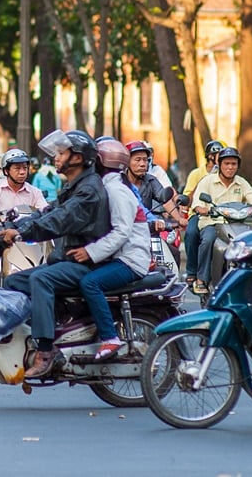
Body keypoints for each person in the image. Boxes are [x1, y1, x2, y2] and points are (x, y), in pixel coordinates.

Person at [0, 130, 111, 378]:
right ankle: (57, 328)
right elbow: (48, 212)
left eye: (62, 153)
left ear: (79, 158)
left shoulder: (88, 190)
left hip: (87, 262)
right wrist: (13, 227)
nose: (56, 158)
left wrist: (20, 234)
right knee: (14, 280)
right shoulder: (74, 186)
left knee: (41, 279)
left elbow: (59, 221)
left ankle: (46, 351)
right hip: (68, 258)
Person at [72, 139, 151, 361]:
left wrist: (90, 252)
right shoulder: (109, 185)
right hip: (118, 256)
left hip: (130, 260)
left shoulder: (116, 190)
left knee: (90, 283)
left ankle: (110, 337)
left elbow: (121, 232)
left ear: (100, 161)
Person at [189, 147, 252, 295]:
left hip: (235, 224)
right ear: (220, 165)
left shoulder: (241, 182)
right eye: (227, 164)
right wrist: (202, 209)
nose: (230, 167)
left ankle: (249, 280)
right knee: (208, 239)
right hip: (212, 223)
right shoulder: (208, 181)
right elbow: (197, 204)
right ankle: (201, 279)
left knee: (251, 243)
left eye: (234, 164)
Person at [182, 139, 225, 286]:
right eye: (218, 154)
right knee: (191, 233)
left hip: (219, 214)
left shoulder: (224, 173)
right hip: (199, 213)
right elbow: (187, 199)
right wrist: (204, 180)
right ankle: (192, 270)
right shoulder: (196, 174)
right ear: (210, 156)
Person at [0, 148, 47, 224]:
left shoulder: (35, 192)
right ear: (6, 171)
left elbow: (45, 212)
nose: (22, 172)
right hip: (0, 233)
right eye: (17, 168)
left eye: (25, 168)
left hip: (27, 233)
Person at [125, 140, 180, 230]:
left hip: (147, 229)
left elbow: (164, 199)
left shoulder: (151, 180)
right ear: (127, 162)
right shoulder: (119, 182)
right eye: (137, 160)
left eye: (145, 160)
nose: (142, 164)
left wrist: (179, 219)